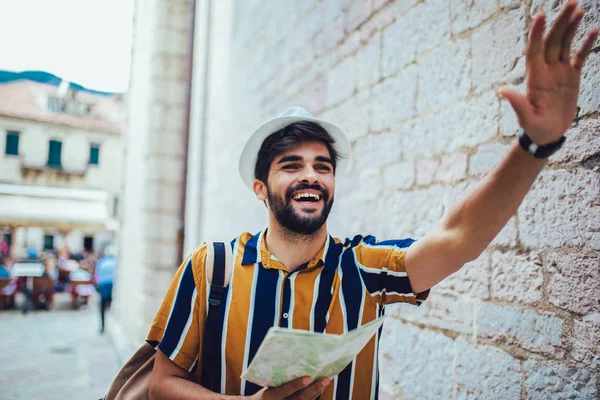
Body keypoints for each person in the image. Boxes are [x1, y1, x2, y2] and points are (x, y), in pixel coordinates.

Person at [148, 3, 598, 399]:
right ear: (260, 187)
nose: (311, 175)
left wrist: (535, 145)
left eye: (323, 166)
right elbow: (162, 383)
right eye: (291, 165)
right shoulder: (212, 268)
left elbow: (457, 237)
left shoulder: (362, 269)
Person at [95, 245, 117, 333]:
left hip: (103, 285)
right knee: (111, 305)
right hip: (112, 285)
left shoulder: (101, 262)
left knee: (102, 307)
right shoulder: (115, 262)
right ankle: (112, 324)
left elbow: (97, 275)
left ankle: (103, 326)